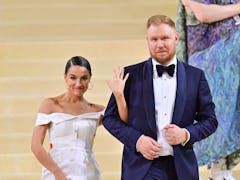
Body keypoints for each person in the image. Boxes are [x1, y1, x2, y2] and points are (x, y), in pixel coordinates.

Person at [102, 14, 218, 180]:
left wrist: (186, 134)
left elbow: (210, 120)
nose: (160, 44)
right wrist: (137, 141)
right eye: (154, 39)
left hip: (181, 169)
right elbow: (110, 119)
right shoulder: (129, 75)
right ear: (147, 41)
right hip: (140, 168)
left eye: (165, 38)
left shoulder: (196, 76)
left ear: (176, 38)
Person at [176, 0, 240, 179]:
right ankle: (218, 169)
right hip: (209, 56)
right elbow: (203, 14)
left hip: (233, 59)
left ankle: (223, 169)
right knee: (216, 113)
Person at [31, 56, 105, 180]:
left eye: (84, 78)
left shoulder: (97, 111)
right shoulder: (50, 104)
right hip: (56, 173)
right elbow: (36, 146)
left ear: (90, 79)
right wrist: (57, 173)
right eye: (73, 77)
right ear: (65, 77)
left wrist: (119, 96)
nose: (78, 83)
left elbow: (122, 123)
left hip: (88, 173)